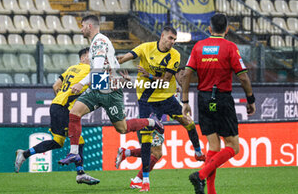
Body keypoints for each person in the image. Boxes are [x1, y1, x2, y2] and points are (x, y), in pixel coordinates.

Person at [58, 15, 164, 173]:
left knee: (122, 128)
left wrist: (82, 83)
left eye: (82, 26)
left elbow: (99, 68)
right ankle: (74, 153)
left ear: (89, 26)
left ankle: (150, 122)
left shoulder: (99, 41)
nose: (80, 29)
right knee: (74, 113)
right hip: (98, 87)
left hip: (110, 89)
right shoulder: (96, 42)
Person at [116, 26, 205, 192]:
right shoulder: (145, 48)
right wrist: (115, 61)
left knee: (188, 122)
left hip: (167, 98)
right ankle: (140, 178)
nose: (172, 42)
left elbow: (165, 80)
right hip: (147, 102)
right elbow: (125, 58)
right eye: (170, 38)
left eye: (174, 40)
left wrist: (148, 75)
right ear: (162, 36)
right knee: (154, 150)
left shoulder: (175, 55)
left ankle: (198, 151)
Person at [182, 13, 256, 194]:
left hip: (203, 99)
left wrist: (185, 100)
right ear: (227, 29)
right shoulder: (230, 47)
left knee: (214, 147)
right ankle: (200, 175)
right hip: (222, 98)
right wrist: (251, 99)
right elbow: (244, 77)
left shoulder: (199, 47)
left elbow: (186, 74)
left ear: (209, 29)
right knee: (233, 147)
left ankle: (211, 191)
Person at [14, 47, 100, 185]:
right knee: (79, 140)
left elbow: (55, 86)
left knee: (58, 141)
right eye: (91, 55)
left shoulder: (71, 68)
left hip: (56, 105)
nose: (94, 58)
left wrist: (61, 100)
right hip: (63, 109)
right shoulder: (88, 70)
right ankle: (80, 174)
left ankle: (24, 154)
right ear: (83, 57)